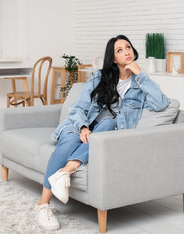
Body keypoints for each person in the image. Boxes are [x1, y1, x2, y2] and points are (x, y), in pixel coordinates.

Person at [35, 35, 170, 231]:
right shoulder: (99, 78)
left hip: (104, 134)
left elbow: (161, 103)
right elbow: (77, 108)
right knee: (71, 138)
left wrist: (141, 74)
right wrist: (83, 127)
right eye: (120, 50)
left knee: (108, 124)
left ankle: (65, 172)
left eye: (128, 47)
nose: (127, 52)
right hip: (80, 125)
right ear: (113, 58)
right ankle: (43, 205)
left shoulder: (139, 87)